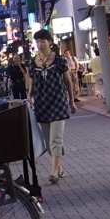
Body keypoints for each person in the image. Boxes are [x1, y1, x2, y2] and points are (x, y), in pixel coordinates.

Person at [27, 29, 76, 183]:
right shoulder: (32, 63)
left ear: (50, 42)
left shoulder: (59, 60)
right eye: (37, 41)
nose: (40, 44)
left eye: (43, 41)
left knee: (56, 139)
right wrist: (29, 95)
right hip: (41, 104)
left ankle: (53, 171)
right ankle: (59, 168)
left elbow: (67, 80)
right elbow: (32, 82)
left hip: (58, 103)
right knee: (49, 142)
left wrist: (71, 100)